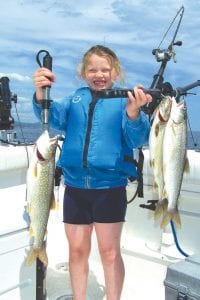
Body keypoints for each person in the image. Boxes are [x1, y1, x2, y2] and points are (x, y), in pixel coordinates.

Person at [33, 45, 152, 300]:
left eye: (105, 69)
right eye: (92, 69)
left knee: (109, 253)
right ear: (83, 73)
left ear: (115, 72)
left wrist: (134, 114)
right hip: (75, 188)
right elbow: (51, 117)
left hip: (109, 189)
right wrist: (39, 91)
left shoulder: (124, 101)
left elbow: (137, 138)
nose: (99, 74)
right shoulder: (74, 99)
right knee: (76, 251)